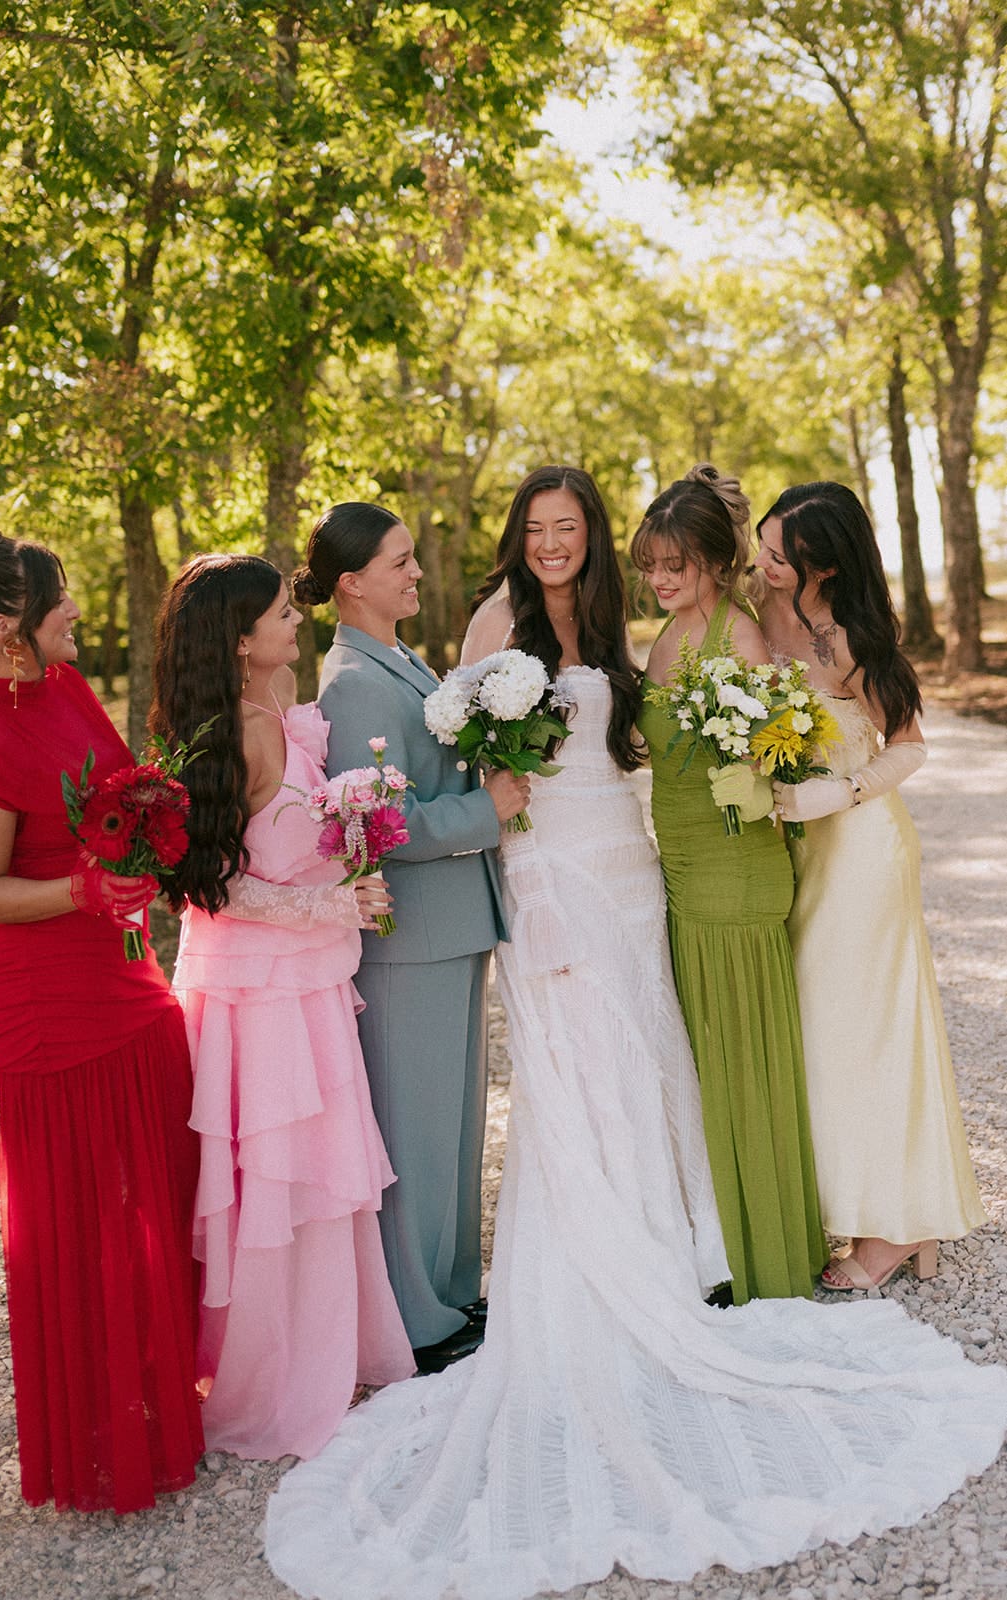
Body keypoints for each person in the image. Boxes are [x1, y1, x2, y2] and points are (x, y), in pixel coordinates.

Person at [262, 466, 1007, 1600]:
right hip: (548, 863)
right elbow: (463, 748)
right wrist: (500, 818)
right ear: (520, 536)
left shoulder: (620, 616)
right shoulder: (494, 617)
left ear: (592, 538)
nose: (554, 545)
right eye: (538, 529)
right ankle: (593, 1265)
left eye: (571, 529)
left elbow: (647, 736)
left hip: (630, 859)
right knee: (574, 1062)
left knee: (654, 1052)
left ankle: (685, 1247)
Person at [0, 516, 203, 1513]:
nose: (80, 613)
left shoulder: (57, 686)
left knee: (160, 1190)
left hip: (126, 973)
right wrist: (82, 895)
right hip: (50, 999)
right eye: (61, 607)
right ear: (10, 625)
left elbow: (111, 798)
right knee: (87, 1224)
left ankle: (163, 1394)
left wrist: (148, 839)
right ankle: (101, 1439)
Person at [149, 553, 414, 1459]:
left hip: (301, 979)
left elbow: (284, 844)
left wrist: (346, 869)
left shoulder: (276, 713)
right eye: (278, 613)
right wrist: (336, 901)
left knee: (317, 1176)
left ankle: (328, 1349)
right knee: (276, 1183)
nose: (294, 619)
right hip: (255, 993)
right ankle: (270, 1375)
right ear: (241, 639)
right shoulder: (240, 734)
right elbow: (215, 887)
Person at [294, 503, 527, 1372]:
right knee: (416, 1133)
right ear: (351, 582)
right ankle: (417, 1321)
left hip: (453, 924)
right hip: (408, 937)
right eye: (399, 562)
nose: (416, 572)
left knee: (457, 1125)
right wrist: (487, 809)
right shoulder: (351, 681)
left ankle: (454, 1286)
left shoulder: (398, 657)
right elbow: (378, 824)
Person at [754, 482, 986, 1291]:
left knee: (870, 1030)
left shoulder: (852, 635)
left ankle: (898, 1227)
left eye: (780, 554)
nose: (765, 563)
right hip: (799, 853)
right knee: (820, 1032)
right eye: (762, 545)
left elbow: (909, 744)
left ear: (822, 561)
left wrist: (838, 793)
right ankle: (853, 1201)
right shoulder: (758, 612)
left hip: (861, 849)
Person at [632, 463, 826, 1302]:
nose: (659, 579)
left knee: (741, 1056)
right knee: (705, 1056)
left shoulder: (739, 636)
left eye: (673, 565)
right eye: (648, 564)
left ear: (715, 559)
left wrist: (752, 762)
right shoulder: (667, 634)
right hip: (677, 861)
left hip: (732, 866)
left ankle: (766, 1255)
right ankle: (720, 1239)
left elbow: (782, 748)